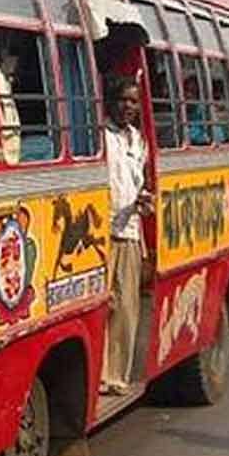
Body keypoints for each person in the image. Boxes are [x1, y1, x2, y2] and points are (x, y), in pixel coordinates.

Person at [101, 76, 152, 396]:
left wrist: (143, 200)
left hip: (130, 230)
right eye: (123, 100)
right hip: (101, 232)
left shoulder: (137, 140)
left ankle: (116, 376)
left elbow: (138, 182)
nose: (128, 107)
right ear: (111, 101)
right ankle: (99, 374)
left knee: (126, 308)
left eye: (133, 101)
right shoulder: (100, 137)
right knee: (102, 305)